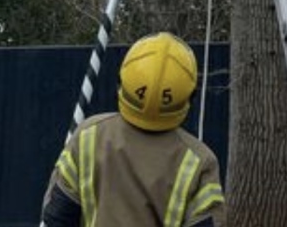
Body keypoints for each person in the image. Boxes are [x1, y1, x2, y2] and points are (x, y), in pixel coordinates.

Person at [41, 32, 226, 227]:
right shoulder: (199, 161)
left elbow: (57, 217)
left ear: (122, 81)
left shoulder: (89, 135)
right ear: (189, 96)